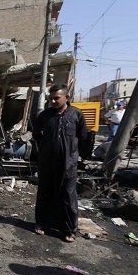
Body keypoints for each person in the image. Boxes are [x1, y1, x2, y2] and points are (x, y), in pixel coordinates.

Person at [33, 84, 88, 243]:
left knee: (68, 196)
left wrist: (79, 157)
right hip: (47, 163)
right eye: (51, 98)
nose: (53, 101)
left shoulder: (76, 115)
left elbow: (83, 137)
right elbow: (36, 134)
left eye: (56, 98)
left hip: (68, 164)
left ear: (67, 97)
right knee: (45, 193)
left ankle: (69, 230)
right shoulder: (45, 115)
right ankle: (41, 223)